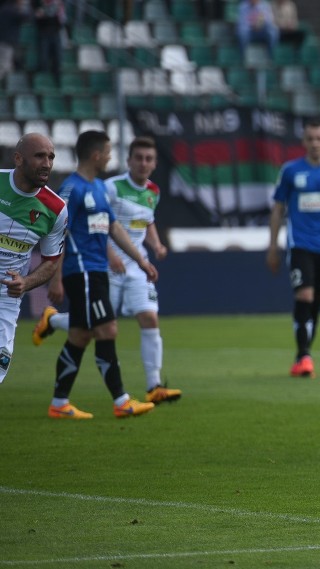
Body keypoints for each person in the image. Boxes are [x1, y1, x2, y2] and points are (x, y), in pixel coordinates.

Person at [33, 137, 182, 405]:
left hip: (124, 268)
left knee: (136, 321)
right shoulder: (104, 188)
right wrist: (107, 255)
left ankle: (153, 386)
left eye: (149, 159)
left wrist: (149, 254)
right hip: (95, 267)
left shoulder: (145, 191)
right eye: (138, 157)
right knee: (98, 327)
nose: (144, 163)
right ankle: (118, 400)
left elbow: (127, 224)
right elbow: (67, 230)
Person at [266, 117, 320, 379]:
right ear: (303, 141)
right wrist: (272, 247)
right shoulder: (291, 171)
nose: (315, 143)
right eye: (310, 139)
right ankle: (303, 356)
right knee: (304, 296)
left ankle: (304, 353)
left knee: (316, 302)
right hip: (300, 245)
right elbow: (278, 209)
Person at [0, 133, 67, 385]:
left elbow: (51, 260)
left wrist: (26, 283)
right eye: (39, 156)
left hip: (6, 298)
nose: (47, 163)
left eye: (51, 157)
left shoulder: (56, 209)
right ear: (18, 158)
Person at [33, 0, 66, 85]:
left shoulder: (58, 4)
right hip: (44, 33)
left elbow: (62, 21)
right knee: (43, 59)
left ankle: (57, 82)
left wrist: (59, 12)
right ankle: (43, 82)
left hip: (55, 33)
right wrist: (41, 14)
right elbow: (36, 18)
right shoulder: (38, 4)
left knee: (58, 58)